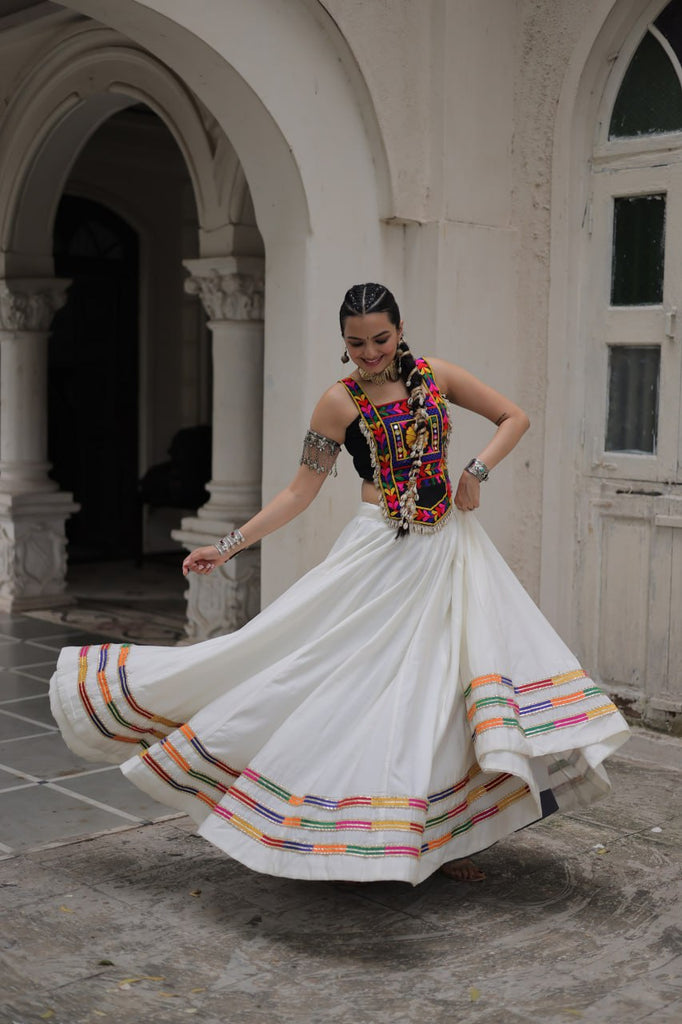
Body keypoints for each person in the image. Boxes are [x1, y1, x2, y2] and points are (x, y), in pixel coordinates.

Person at [50, 283, 630, 886]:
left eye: (380, 339)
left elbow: (515, 416)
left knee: (443, 692)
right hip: (380, 551)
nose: (370, 352)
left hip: (451, 549)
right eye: (356, 343)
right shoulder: (338, 402)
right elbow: (300, 492)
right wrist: (225, 547)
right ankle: (342, 827)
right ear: (343, 342)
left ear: (400, 330)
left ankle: (438, 839)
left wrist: (476, 471)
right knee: (334, 677)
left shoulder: (437, 376)